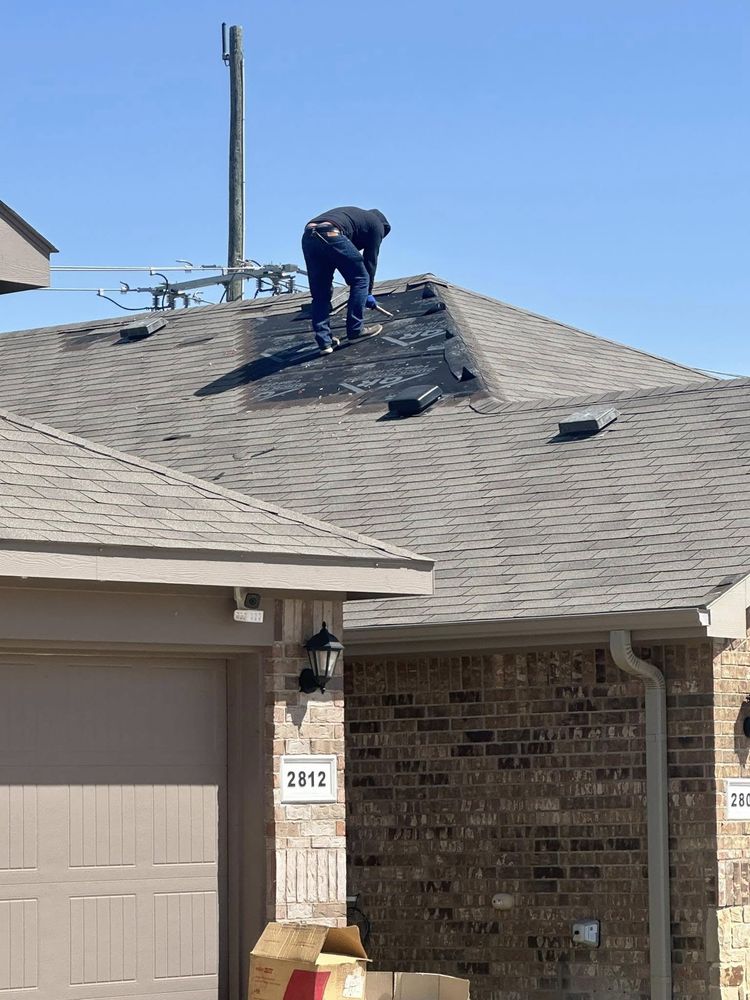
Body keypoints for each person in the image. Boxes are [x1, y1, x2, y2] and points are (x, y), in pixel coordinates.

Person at [301, 207, 391, 355]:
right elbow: (370, 261)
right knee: (361, 279)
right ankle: (356, 330)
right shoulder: (378, 225)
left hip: (309, 235)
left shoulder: (358, 220)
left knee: (320, 292)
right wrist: (367, 292)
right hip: (331, 232)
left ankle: (325, 342)